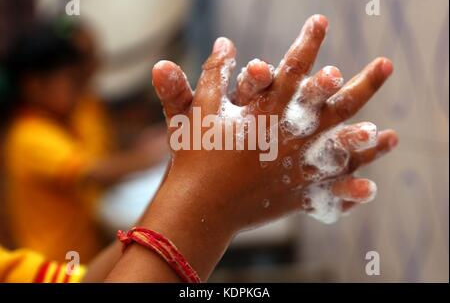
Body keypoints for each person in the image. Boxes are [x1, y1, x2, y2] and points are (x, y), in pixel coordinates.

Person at [1, 14, 398, 282]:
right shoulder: (27, 135)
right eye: (75, 77)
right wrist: (208, 206)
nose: (85, 86)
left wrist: (187, 174)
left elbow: (90, 280)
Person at [1, 21, 167, 262]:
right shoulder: (28, 135)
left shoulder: (63, 116)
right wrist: (152, 155)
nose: (79, 87)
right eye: (71, 80)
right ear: (34, 86)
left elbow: (107, 139)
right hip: (54, 265)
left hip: (82, 254)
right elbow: (92, 172)